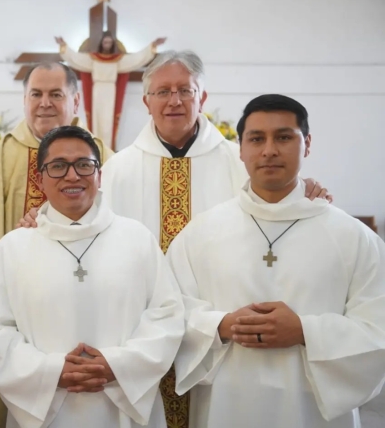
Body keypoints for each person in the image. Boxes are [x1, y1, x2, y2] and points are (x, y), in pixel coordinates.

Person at [16, 50, 331, 428]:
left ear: (203, 97)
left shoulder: (243, 160)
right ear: (146, 101)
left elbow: (281, 204)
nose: (175, 100)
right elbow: (80, 221)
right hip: (137, 332)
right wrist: (43, 216)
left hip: (221, 337)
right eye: (163, 91)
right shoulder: (116, 169)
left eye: (185, 89)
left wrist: (305, 190)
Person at [170, 94, 385, 428]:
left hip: (314, 411)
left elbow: (378, 329)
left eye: (284, 137)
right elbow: (168, 312)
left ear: (307, 144)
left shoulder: (353, 237)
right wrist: (221, 326)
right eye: (256, 139)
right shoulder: (200, 234)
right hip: (227, 406)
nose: (269, 150)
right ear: (240, 148)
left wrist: (304, 330)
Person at [0, 125, 185, 428]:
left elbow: (167, 315)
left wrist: (117, 365)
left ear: (99, 175)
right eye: (58, 166)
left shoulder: (137, 239)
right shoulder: (12, 248)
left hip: (123, 408)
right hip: (46, 409)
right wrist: (52, 372)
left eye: (84, 165)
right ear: (40, 179)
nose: (72, 176)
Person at [0, 61, 113, 248]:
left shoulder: (105, 158)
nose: (45, 103)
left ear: (75, 102)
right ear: (25, 100)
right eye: (36, 94)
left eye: (55, 94)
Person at [55, 32, 167, 149]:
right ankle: (96, 146)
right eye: (105, 42)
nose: (107, 44)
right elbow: (76, 58)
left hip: (110, 92)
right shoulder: (93, 59)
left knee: (109, 121)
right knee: (96, 119)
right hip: (97, 91)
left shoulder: (117, 60)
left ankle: (107, 148)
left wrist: (153, 45)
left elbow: (136, 59)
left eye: (109, 42)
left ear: (113, 44)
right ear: (101, 43)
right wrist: (63, 45)